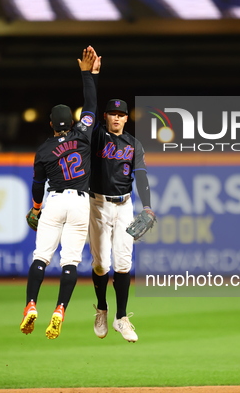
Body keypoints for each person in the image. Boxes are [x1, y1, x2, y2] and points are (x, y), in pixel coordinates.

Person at [19, 46, 100, 340]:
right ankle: (60, 309)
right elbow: (91, 104)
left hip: (54, 201)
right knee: (70, 262)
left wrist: (37, 207)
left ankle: (30, 305)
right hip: (80, 204)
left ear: (51, 124)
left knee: (41, 257)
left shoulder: (43, 150)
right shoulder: (83, 134)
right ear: (73, 121)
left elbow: (38, 185)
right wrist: (87, 74)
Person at [90, 97, 153, 343]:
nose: (116, 117)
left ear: (127, 118)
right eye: (112, 113)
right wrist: (90, 76)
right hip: (97, 204)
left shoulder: (134, 144)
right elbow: (90, 107)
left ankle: (121, 317)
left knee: (124, 262)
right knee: (101, 265)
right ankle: (102, 309)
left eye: (120, 114)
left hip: (124, 204)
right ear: (105, 116)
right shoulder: (97, 137)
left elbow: (142, 177)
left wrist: (147, 206)